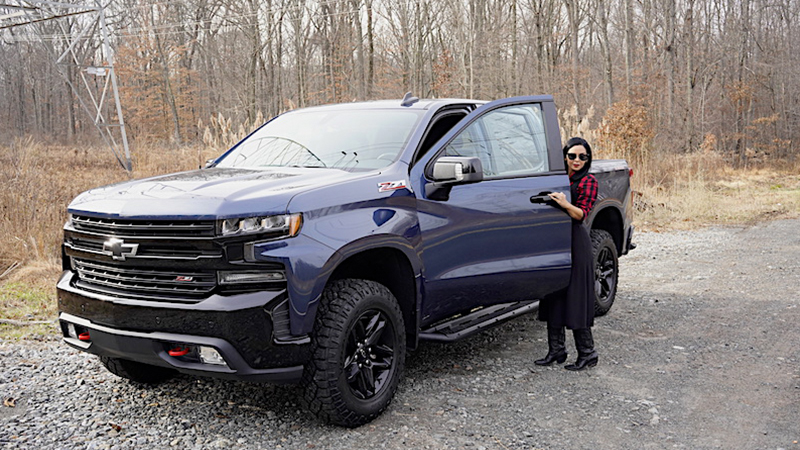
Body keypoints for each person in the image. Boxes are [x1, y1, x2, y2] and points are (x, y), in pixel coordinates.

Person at [535, 137, 599, 371]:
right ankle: (556, 350)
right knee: (554, 294)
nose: (577, 160)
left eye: (583, 157)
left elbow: (581, 214)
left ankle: (588, 353)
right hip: (555, 240)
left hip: (574, 241)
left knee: (576, 298)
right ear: (565, 156)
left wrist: (564, 203)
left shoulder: (588, 181)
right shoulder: (559, 179)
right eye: (572, 156)